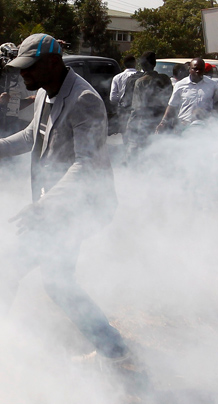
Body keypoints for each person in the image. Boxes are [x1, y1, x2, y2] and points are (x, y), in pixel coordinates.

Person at [0, 33, 130, 367]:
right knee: (57, 281)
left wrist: (43, 207)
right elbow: (33, 135)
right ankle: (112, 346)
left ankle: (111, 347)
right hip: (57, 206)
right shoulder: (46, 91)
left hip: (81, 206)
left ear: (53, 63)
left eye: (29, 68)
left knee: (15, 268)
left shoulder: (84, 100)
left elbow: (85, 164)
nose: (23, 75)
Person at [125, 51, 172, 163]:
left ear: (142, 65)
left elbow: (137, 108)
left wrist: (130, 125)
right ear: (154, 64)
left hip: (145, 122)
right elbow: (170, 101)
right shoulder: (165, 79)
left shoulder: (141, 82)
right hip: (163, 120)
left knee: (144, 151)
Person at [157, 58, 218, 131]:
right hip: (183, 126)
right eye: (195, 69)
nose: (198, 71)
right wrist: (163, 123)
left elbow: (217, 103)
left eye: (201, 69)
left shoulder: (212, 85)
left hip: (205, 127)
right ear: (190, 69)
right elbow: (172, 106)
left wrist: (214, 117)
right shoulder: (180, 85)